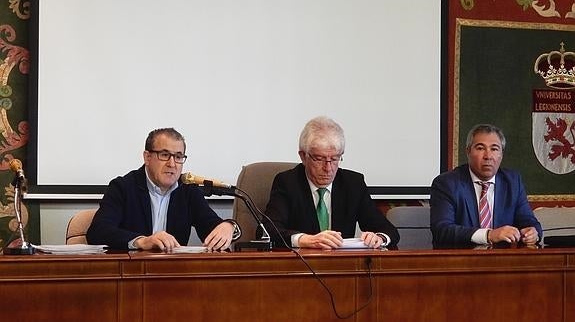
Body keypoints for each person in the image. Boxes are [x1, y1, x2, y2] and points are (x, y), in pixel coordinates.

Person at [87, 128, 240, 251]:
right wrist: (142, 241)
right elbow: (98, 231)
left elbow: (210, 226)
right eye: (165, 155)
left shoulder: (188, 190)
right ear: (147, 157)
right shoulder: (123, 187)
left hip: (173, 274)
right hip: (132, 273)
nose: (172, 164)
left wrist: (227, 226)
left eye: (178, 157)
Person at [264, 116, 399, 249]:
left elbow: (389, 231)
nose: (328, 168)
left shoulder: (353, 184)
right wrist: (304, 240)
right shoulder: (287, 183)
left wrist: (379, 238)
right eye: (319, 159)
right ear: (303, 156)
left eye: (335, 159)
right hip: (302, 265)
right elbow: (267, 231)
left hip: (342, 266)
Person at [430, 124, 542, 247]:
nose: (488, 156)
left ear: (501, 154)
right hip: (460, 261)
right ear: (468, 151)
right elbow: (442, 230)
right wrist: (488, 235)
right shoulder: (447, 184)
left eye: (494, 149)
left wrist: (532, 233)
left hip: (503, 262)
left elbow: (528, 221)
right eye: (480, 148)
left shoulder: (512, 182)